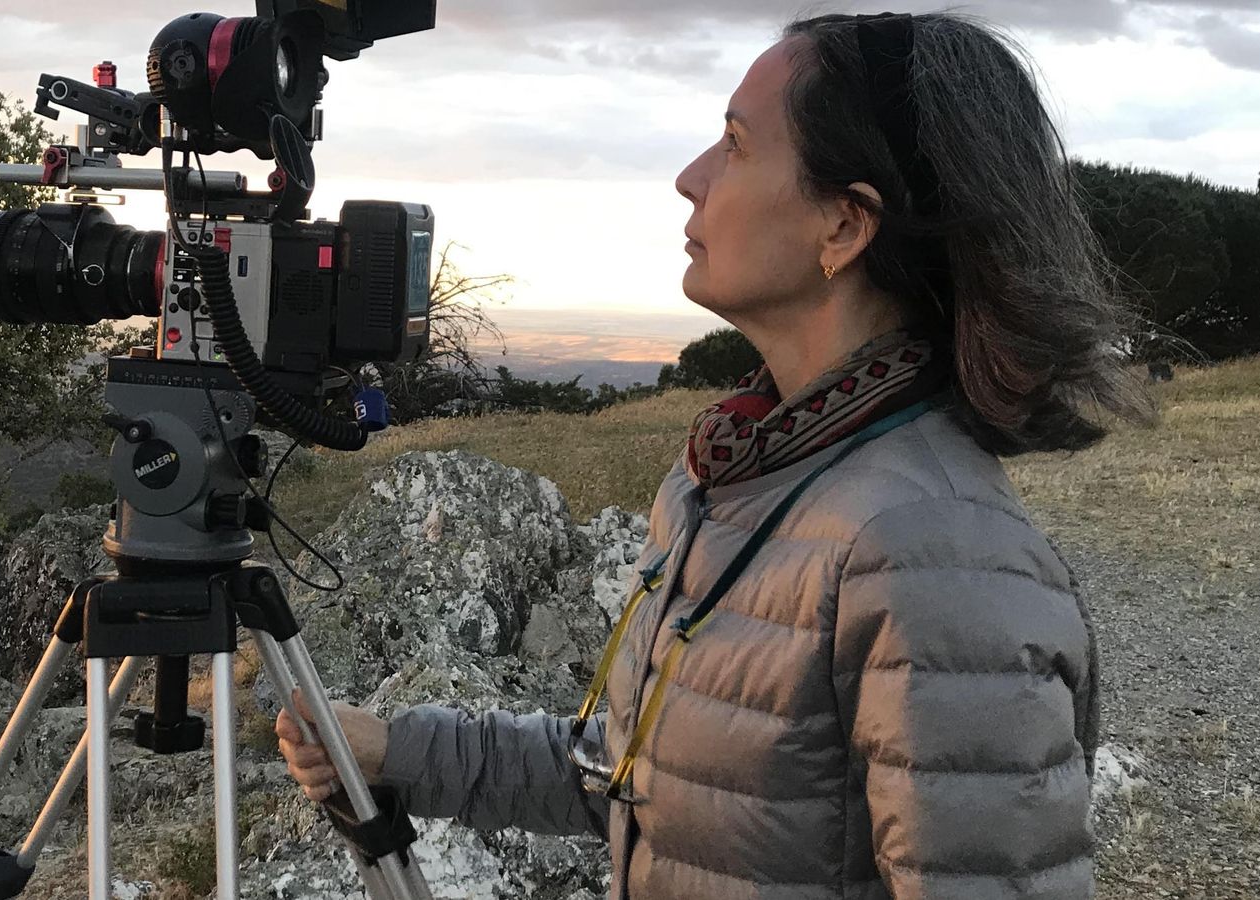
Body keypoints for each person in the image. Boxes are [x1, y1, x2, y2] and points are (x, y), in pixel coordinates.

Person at [278, 11, 1155, 899]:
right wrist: (392, 749)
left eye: (735, 144)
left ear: (845, 228)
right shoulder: (734, 472)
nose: (689, 178)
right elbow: (633, 782)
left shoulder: (935, 549)